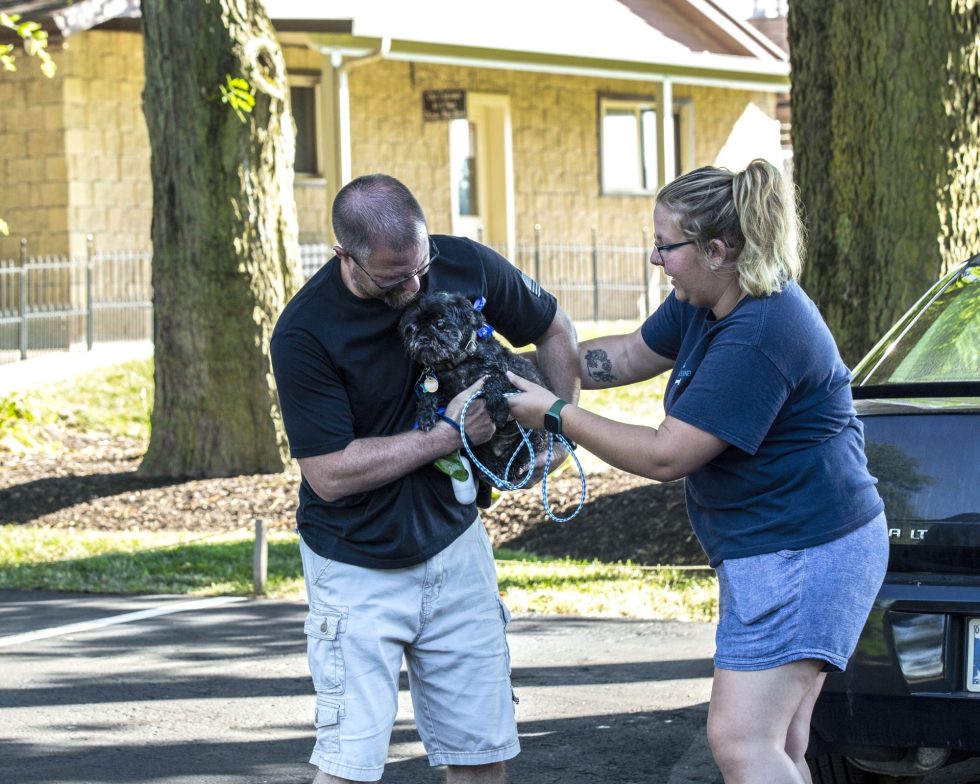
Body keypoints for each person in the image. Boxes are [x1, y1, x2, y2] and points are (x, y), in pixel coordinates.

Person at [504, 159, 888, 784]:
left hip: (805, 551)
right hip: (787, 547)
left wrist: (553, 414)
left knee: (741, 742)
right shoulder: (704, 300)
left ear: (717, 249)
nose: (656, 259)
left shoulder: (762, 329)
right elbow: (624, 355)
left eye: (664, 246)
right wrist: (514, 367)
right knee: (781, 746)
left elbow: (665, 454)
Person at [270, 173, 579, 784]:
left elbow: (554, 327)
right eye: (393, 278)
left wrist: (559, 434)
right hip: (356, 563)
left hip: (455, 546)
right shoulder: (304, 332)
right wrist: (449, 433)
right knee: (348, 768)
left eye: (421, 266)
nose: (414, 287)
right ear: (345, 256)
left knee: (482, 754)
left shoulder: (463, 261)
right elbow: (329, 474)